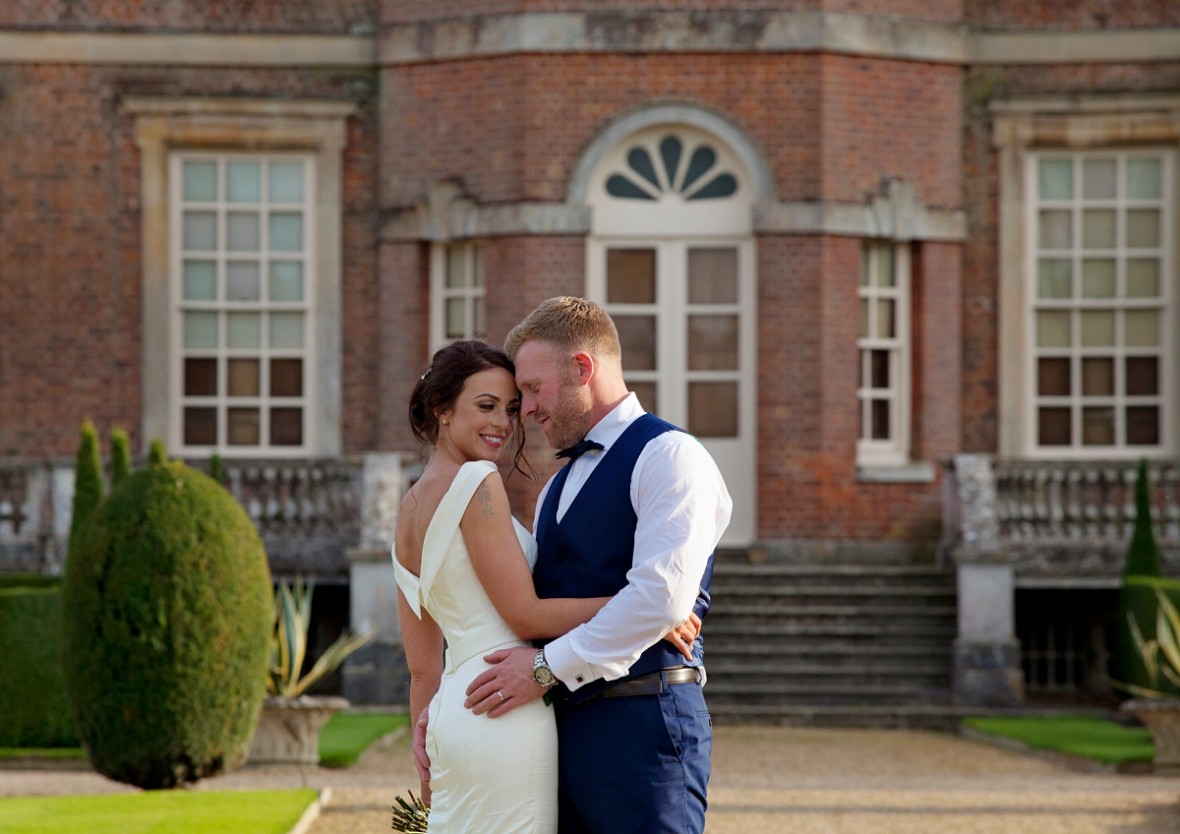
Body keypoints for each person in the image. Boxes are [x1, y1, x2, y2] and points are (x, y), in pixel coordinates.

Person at [392, 339, 698, 834]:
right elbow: (526, 615)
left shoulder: (407, 510)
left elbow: (423, 670)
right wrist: (647, 611)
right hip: (505, 704)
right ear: (442, 410)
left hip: (453, 713)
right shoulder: (476, 482)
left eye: (512, 408)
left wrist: (428, 753)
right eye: (486, 406)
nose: (504, 423)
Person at [460, 296, 732, 834]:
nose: (528, 410)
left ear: (583, 368)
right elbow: (533, 605)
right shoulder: (556, 485)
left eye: (534, 389)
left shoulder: (669, 456)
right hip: (560, 733)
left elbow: (660, 598)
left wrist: (544, 670)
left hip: (644, 727)